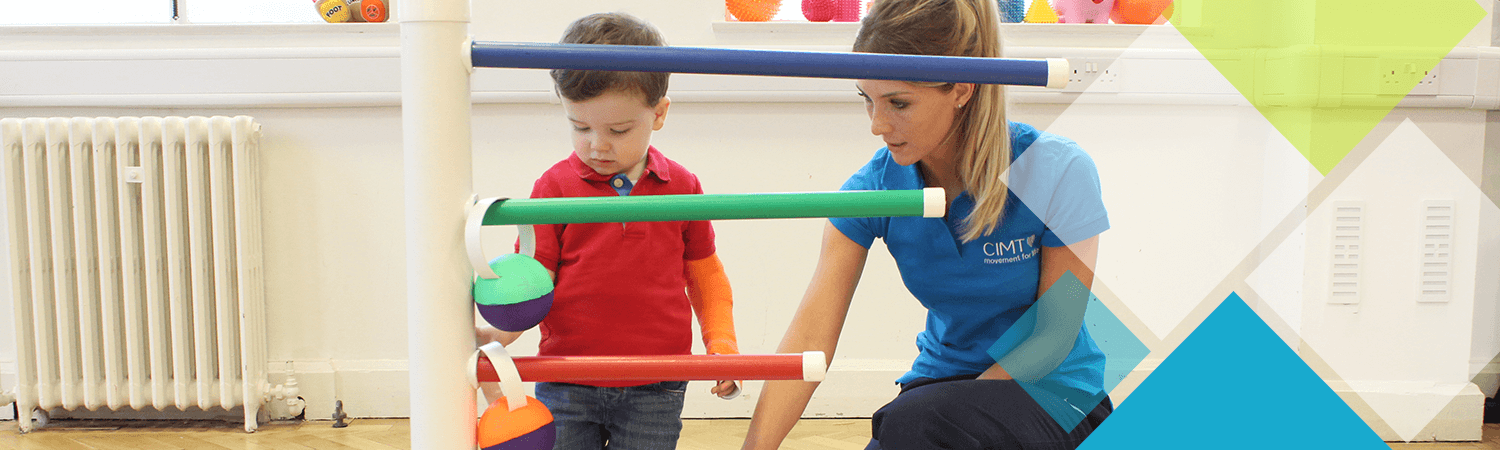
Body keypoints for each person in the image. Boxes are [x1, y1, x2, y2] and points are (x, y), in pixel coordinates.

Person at [741, 0, 1112, 449]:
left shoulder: (1058, 169)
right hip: (938, 392)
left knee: (915, 424)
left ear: (962, 87)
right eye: (868, 100)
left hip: (1056, 397)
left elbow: (1056, 332)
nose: (878, 125)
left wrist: (949, 412)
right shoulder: (873, 190)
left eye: (899, 103)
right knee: (914, 424)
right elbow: (811, 337)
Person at [474, 12, 740, 450]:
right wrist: (497, 337)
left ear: (659, 114)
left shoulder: (684, 188)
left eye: (618, 130)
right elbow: (533, 280)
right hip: (566, 378)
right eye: (580, 127)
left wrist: (723, 346)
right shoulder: (552, 188)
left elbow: (705, 274)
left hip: (657, 382)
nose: (597, 145)